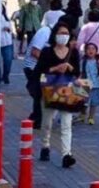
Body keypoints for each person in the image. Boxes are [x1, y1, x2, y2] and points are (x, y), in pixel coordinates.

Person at [35, 21, 82, 168]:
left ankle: (66, 154)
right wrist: (56, 68)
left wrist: (70, 67)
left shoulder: (73, 52)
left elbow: (77, 73)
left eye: (66, 33)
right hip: (50, 90)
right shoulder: (47, 52)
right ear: (55, 35)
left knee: (66, 124)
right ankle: (45, 145)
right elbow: (39, 72)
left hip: (67, 90)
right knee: (47, 122)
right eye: (61, 33)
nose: (64, 36)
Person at [22, 21, 52, 130]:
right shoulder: (45, 32)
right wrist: (47, 63)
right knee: (37, 93)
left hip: (41, 69)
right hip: (33, 68)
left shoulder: (52, 33)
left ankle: (36, 116)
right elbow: (35, 52)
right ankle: (37, 118)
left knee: (38, 94)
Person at [81, 42, 99, 126]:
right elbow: (80, 72)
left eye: (93, 49)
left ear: (96, 51)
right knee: (84, 101)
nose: (91, 50)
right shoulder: (83, 61)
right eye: (88, 49)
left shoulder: (98, 61)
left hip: (96, 84)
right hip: (85, 84)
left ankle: (91, 117)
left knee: (94, 102)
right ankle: (83, 114)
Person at [0, 3, 14, 85]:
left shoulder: (6, 18)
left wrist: (9, 29)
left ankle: (6, 75)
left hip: (7, 42)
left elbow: (11, 30)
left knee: (8, 60)